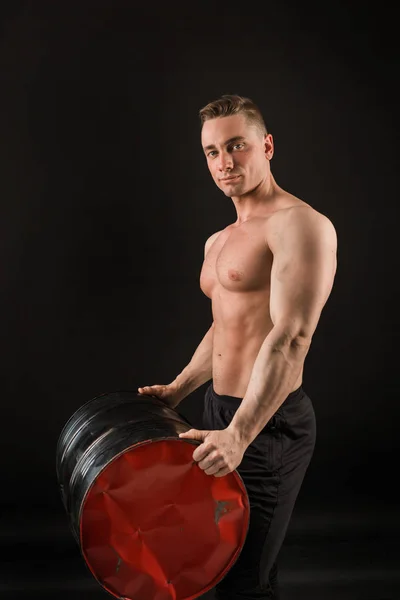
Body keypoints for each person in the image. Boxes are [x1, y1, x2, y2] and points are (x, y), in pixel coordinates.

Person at [138, 94, 337, 599]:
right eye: (212, 152)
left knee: (242, 579)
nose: (225, 162)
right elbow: (225, 326)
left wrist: (240, 433)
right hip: (217, 411)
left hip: (265, 422)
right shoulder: (219, 240)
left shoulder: (300, 225)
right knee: (218, 566)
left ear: (266, 146)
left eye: (237, 146)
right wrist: (178, 390)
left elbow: (291, 337)